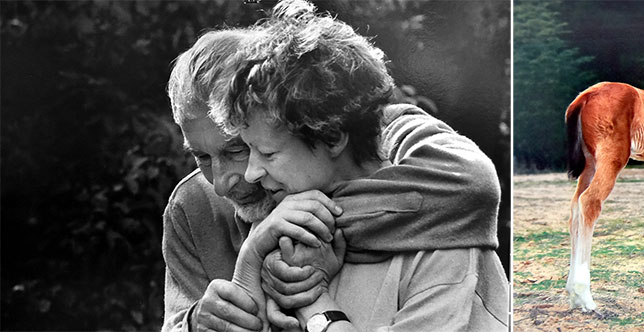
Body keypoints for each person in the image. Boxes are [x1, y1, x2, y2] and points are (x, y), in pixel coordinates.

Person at [162, 3, 507, 331]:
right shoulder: (196, 207)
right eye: (202, 157)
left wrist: (309, 287)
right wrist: (199, 317)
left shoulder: (435, 224)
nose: (225, 182)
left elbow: (470, 182)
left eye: (241, 149)